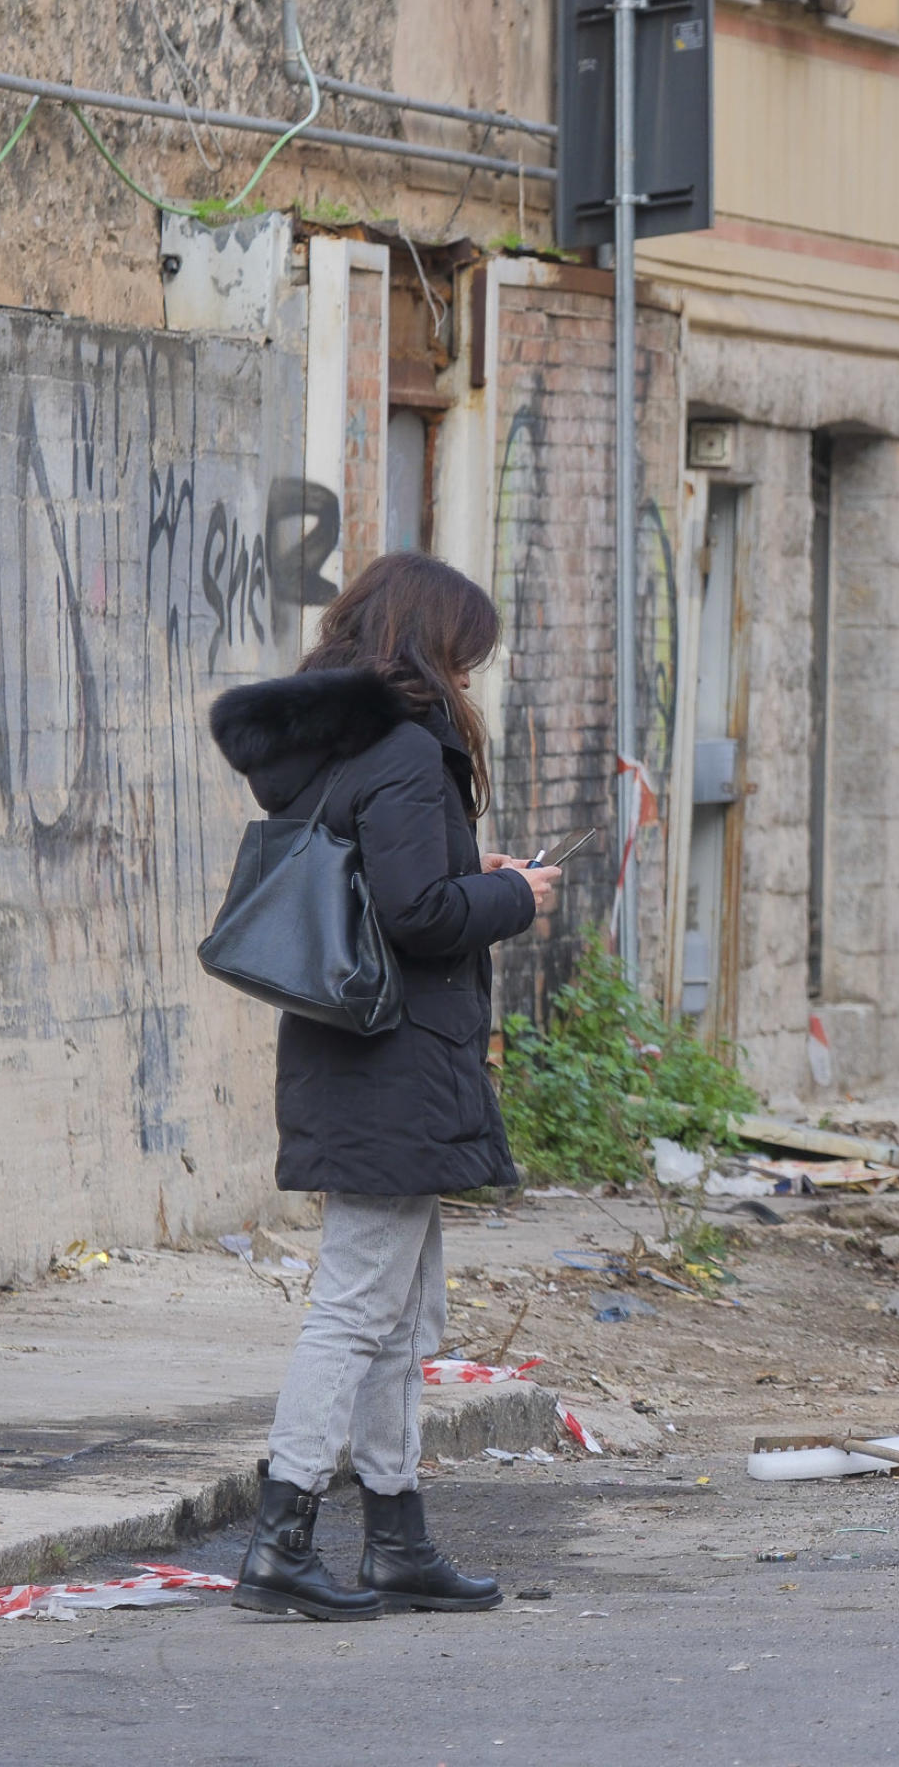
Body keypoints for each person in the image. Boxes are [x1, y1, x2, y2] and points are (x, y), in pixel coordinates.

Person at [207, 552, 562, 1623]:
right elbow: (419, 916)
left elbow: (381, 884)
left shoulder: (336, 751)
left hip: (356, 1056)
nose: (473, 675)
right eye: (467, 653)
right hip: (395, 1063)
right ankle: (284, 1535)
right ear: (430, 645)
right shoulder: (409, 752)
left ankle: (398, 1535)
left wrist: (471, 869)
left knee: (407, 1311)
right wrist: (512, 896)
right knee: (359, 1305)